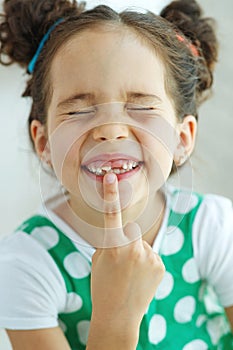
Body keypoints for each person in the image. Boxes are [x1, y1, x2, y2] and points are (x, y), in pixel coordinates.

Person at [0, 0, 232, 348]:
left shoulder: (212, 227)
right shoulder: (27, 263)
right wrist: (115, 317)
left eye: (140, 106)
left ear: (181, 139)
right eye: (79, 109)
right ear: (44, 142)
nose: (111, 130)